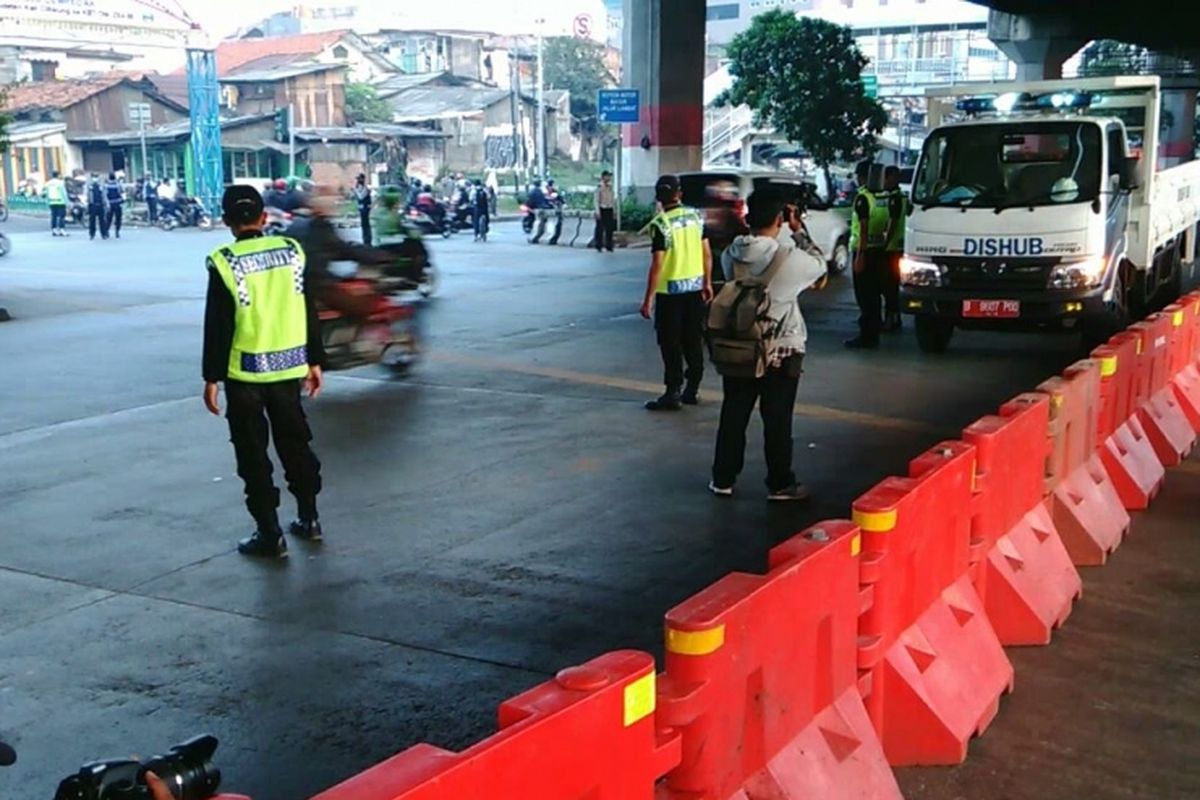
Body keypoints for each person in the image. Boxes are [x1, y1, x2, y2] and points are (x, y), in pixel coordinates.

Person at [202, 185, 325, 558]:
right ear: (263, 217)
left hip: (245, 376)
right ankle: (309, 518)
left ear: (227, 222)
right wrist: (314, 359)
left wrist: (211, 377)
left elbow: (218, 325)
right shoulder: (290, 253)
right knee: (295, 443)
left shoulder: (224, 261)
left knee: (253, 453)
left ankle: (269, 533)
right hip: (289, 369)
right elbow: (308, 308)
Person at [709, 191, 827, 501]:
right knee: (777, 418)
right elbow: (820, 266)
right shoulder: (789, 258)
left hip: (740, 347)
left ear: (747, 219)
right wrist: (798, 229)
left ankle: (723, 478)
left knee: (733, 413)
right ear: (780, 220)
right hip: (781, 350)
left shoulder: (729, 255)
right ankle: (779, 483)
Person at [640, 174, 714, 411]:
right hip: (694, 289)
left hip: (669, 293)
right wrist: (707, 282)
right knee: (693, 340)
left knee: (670, 344)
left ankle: (673, 392)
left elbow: (657, 265)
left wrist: (648, 299)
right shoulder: (696, 217)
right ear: (679, 193)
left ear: (658, 198)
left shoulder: (661, 224)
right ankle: (692, 389)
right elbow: (707, 254)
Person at [289, 184, 395, 319]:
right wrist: (382, 257)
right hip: (318, 285)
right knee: (366, 305)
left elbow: (336, 249)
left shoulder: (297, 223)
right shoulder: (320, 226)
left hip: (295, 284)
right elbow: (343, 249)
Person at [847, 159, 889, 349]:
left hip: (864, 252)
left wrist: (859, 256)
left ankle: (867, 336)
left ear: (863, 177)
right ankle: (874, 331)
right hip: (880, 251)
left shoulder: (864, 198)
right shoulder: (883, 197)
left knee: (865, 297)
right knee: (874, 295)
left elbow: (863, 228)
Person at [881, 165, 909, 334]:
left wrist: (885, 242)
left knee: (889, 287)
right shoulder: (904, 197)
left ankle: (890, 320)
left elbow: (892, 222)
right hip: (901, 247)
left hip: (891, 250)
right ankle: (895, 318)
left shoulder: (894, 199)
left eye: (886, 178)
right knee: (893, 287)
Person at [594, 170, 616, 253]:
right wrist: (597, 212)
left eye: (609, 176)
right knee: (599, 229)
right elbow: (596, 200)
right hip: (601, 209)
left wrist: (614, 211)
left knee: (609, 229)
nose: (609, 178)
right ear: (603, 177)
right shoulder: (599, 187)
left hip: (609, 209)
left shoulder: (610, 187)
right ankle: (598, 246)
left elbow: (612, 200)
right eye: (607, 176)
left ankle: (609, 246)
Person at [43, 170, 69, 236]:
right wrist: (67, 202)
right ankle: (62, 230)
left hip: (52, 202)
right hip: (60, 202)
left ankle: (54, 230)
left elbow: (45, 193)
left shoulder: (48, 183)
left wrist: (47, 202)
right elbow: (64, 193)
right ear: (58, 175)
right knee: (61, 216)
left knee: (53, 216)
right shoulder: (60, 183)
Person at [86, 174, 109, 240]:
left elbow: (104, 195)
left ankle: (104, 234)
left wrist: (106, 204)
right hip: (92, 205)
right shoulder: (89, 186)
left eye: (96, 177)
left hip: (100, 205)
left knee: (102, 220)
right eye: (94, 177)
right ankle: (92, 234)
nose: (95, 179)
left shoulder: (101, 186)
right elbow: (87, 195)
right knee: (92, 221)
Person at [104, 172, 125, 238]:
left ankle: (107, 231)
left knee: (108, 219)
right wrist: (122, 201)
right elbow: (122, 193)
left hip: (110, 204)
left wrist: (107, 204)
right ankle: (117, 231)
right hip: (117, 203)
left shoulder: (106, 185)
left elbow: (105, 195)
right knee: (118, 218)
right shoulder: (118, 184)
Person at [353, 173, 372, 245]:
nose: (358, 180)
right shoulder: (360, 187)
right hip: (361, 208)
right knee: (363, 224)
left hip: (365, 208)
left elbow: (361, 196)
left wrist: (356, 191)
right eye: (357, 179)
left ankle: (367, 239)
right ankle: (365, 237)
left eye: (359, 178)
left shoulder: (365, 188)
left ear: (363, 179)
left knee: (365, 223)